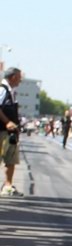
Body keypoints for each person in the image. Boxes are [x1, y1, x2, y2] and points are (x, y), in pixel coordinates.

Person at [0, 67, 22, 197]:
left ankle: (8, 186)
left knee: (11, 160)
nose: (20, 80)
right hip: (2, 131)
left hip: (10, 133)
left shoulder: (10, 91)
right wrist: (7, 122)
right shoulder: (2, 89)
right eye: (19, 77)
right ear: (13, 77)